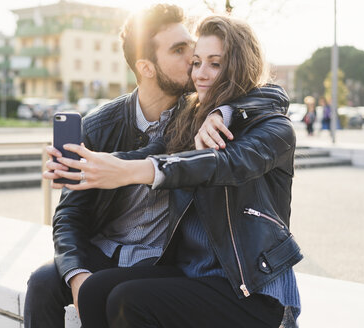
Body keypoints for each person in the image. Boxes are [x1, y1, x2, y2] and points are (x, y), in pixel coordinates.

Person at [47, 15, 303, 328]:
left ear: (237, 65)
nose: (200, 74)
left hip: (251, 287)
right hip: (194, 272)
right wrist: (83, 163)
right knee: (93, 292)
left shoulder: (274, 129)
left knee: (127, 301)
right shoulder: (194, 119)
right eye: (196, 62)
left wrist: (226, 110)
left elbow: (224, 163)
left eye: (215, 63)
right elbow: (149, 154)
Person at [24, 5, 231, 328]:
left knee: (117, 298)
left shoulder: (201, 114)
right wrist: (77, 276)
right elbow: (69, 216)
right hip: (106, 249)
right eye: (179, 50)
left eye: (190, 45)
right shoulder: (98, 126)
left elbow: (266, 95)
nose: (193, 57)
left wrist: (223, 114)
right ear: (146, 67)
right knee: (42, 283)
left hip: (166, 260)